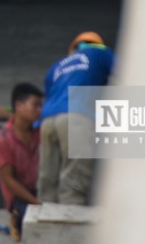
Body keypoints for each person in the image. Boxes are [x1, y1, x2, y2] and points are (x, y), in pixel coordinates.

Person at [37, 31, 114, 205]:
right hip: (76, 118)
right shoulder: (102, 53)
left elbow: (49, 94)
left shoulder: (57, 66)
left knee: (47, 182)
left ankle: (43, 226)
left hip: (48, 122)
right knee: (73, 183)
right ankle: (68, 226)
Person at [0, 83, 45, 240]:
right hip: (20, 198)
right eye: (35, 105)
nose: (39, 110)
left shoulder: (41, 132)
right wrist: (36, 203)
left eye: (41, 106)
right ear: (19, 106)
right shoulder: (2, 138)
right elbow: (8, 180)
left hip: (41, 190)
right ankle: (15, 221)